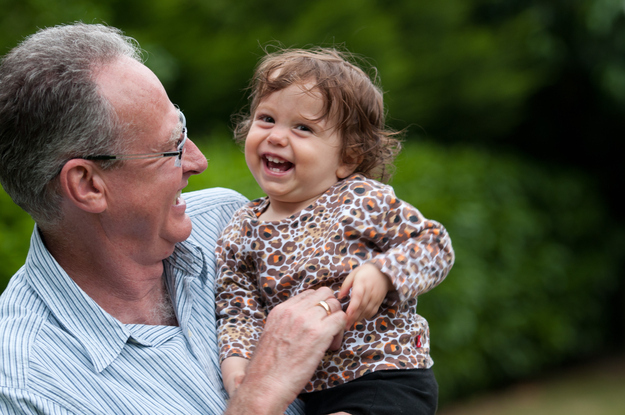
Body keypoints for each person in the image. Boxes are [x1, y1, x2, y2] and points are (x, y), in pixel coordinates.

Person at [0, 23, 348, 415]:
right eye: (171, 148)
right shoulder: (29, 387)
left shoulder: (229, 223)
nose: (198, 161)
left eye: (182, 129)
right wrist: (261, 395)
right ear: (88, 185)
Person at [215, 48, 455, 415]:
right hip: (305, 390)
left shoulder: (360, 199)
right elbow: (238, 307)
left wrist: (383, 273)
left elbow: (434, 245)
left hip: (384, 374)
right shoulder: (241, 229)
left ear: (347, 157)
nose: (277, 136)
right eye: (266, 118)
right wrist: (237, 363)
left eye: (303, 128)